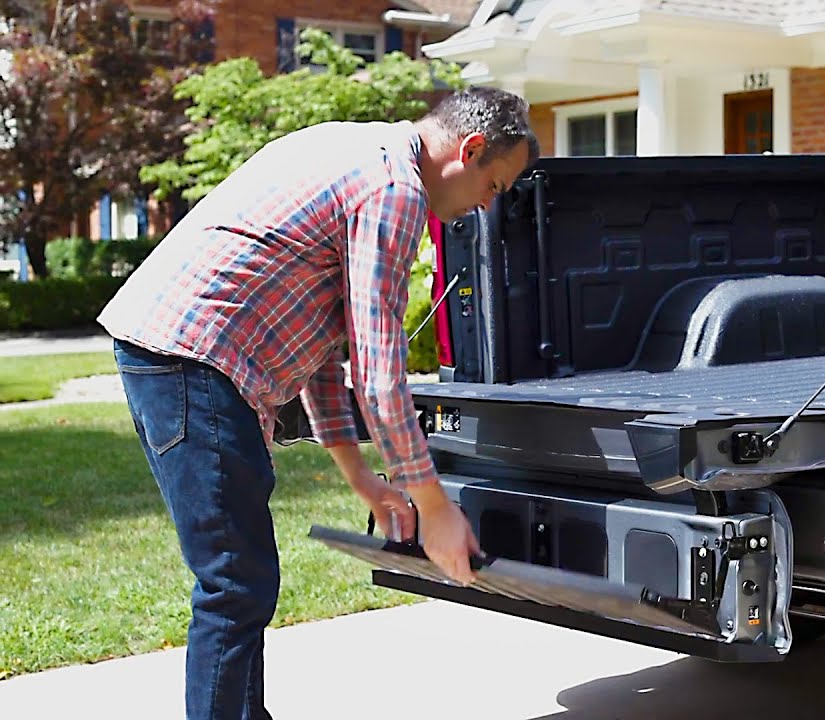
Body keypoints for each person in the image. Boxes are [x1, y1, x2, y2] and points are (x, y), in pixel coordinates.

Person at [96, 86, 539, 720]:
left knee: (241, 581)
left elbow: (329, 347)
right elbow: (381, 375)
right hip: (193, 362)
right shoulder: (395, 189)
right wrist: (435, 506)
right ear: (469, 152)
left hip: (174, 356)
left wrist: (359, 475)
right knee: (234, 584)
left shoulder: (363, 149)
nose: (481, 208)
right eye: (494, 186)